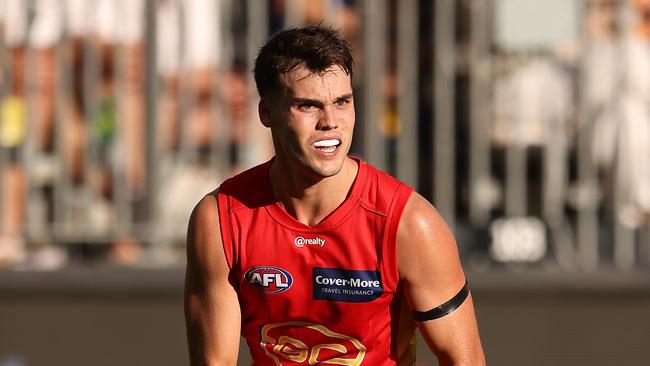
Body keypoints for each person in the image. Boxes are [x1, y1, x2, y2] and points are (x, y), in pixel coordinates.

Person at [184, 26, 485, 365]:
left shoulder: (410, 223)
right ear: (267, 113)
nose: (330, 121)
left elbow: (465, 360)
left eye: (342, 101)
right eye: (308, 106)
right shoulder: (220, 219)